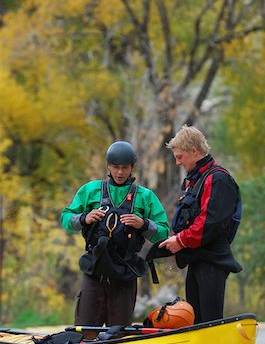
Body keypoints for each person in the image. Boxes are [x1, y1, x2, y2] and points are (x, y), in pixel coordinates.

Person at [61, 140, 169, 327]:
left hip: (125, 273)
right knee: (84, 329)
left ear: (132, 168)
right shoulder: (90, 190)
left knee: (118, 333)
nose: (120, 172)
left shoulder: (145, 197)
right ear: (108, 166)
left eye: (125, 167)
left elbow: (163, 233)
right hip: (95, 270)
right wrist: (84, 218)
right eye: (116, 167)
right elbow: (65, 219)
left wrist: (143, 224)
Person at [159, 125, 242, 324]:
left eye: (180, 157)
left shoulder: (218, 179)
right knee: (195, 323)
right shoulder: (192, 181)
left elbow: (210, 224)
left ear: (194, 152)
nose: (177, 162)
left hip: (213, 262)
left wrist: (180, 241)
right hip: (196, 261)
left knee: (210, 325)